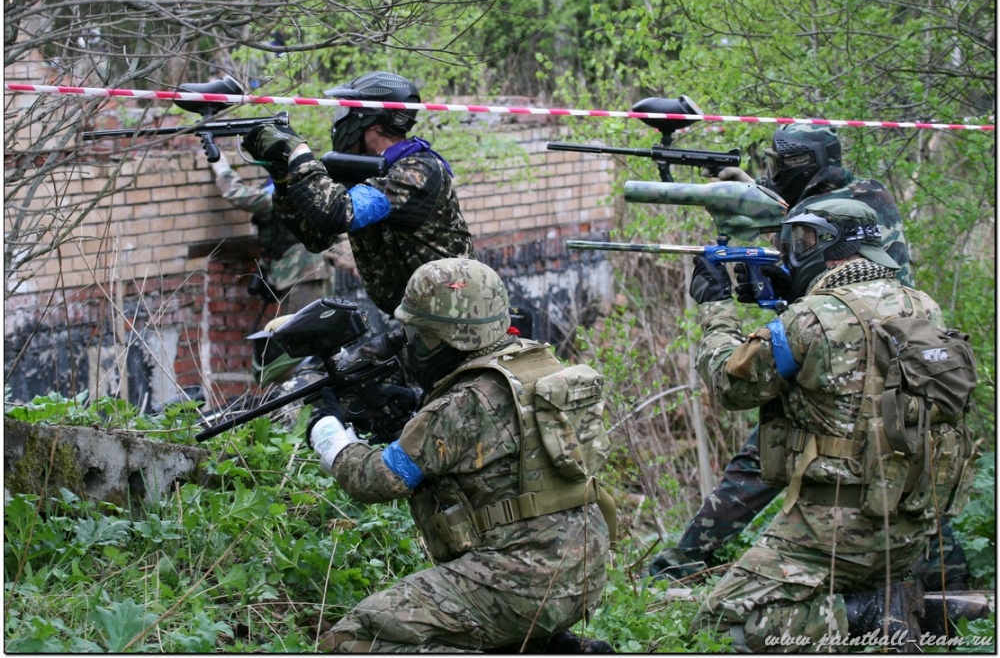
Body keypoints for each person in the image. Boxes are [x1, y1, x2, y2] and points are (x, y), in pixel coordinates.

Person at [649, 124, 971, 592]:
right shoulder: (868, 208)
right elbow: (824, 271)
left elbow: (731, 383)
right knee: (904, 451)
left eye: (779, 165)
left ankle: (683, 562)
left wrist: (718, 306)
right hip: (886, 364)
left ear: (799, 164)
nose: (774, 173)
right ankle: (949, 585)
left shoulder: (837, 213)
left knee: (781, 452)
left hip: (844, 366)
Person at [686, 198, 976, 651]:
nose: (795, 250)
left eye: (803, 240)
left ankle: (870, 614)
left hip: (830, 532)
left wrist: (716, 309)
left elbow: (732, 386)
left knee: (723, 626)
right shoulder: (922, 306)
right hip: (907, 526)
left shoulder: (809, 318)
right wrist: (797, 300)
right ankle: (895, 602)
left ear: (829, 246)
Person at [304, 258, 615, 653]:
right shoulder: (538, 365)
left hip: (522, 585)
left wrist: (328, 433)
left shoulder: (463, 403)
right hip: (584, 572)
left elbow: (375, 479)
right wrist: (417, 409)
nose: (413, 346)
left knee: (354, 639)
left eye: (421, 336)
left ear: (452, 338)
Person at [241, 70, 477, 319]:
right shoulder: (365, 171)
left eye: (346, 111)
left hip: (459, 316)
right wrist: (282, 176)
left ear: (372, 121)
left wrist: (298, 153)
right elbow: (315, 237)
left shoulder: (417, 171)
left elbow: (337, 212)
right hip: (423, 318)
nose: (340, 120)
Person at [210, 152, 333, 316]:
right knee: (296, 324)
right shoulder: (298, 185)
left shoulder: (283, 192)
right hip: (299, 273)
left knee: (304, 326)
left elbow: (239, 195)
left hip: (304, 274)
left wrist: (221, 166)